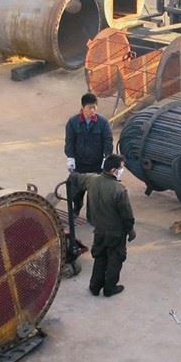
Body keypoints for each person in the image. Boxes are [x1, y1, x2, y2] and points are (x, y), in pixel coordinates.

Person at [72, 154, 135, 297]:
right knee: (115, 259)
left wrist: (72, 175)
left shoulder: (92, 180)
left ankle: (94, 286)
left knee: (100, 257)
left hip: (99, 229)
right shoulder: (119, 190)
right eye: (121, 168)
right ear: (113, 170)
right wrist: (130, 230)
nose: (122, 171)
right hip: (115, 232)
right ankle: (109, 288)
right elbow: (127, 215)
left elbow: (76, 178)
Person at [65, 92, 113, 215]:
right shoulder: (73, 122)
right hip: (80, 164)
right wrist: (70, 158)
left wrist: (106, 157)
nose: (92, 111)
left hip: (96, 165)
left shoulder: (103, 123)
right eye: (89, 108)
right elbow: (69, 141)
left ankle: (92, 216)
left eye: (94, 108)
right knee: (76, 192)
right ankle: (76, 208)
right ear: (83, 107)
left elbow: (108, 140)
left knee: (95, 194)